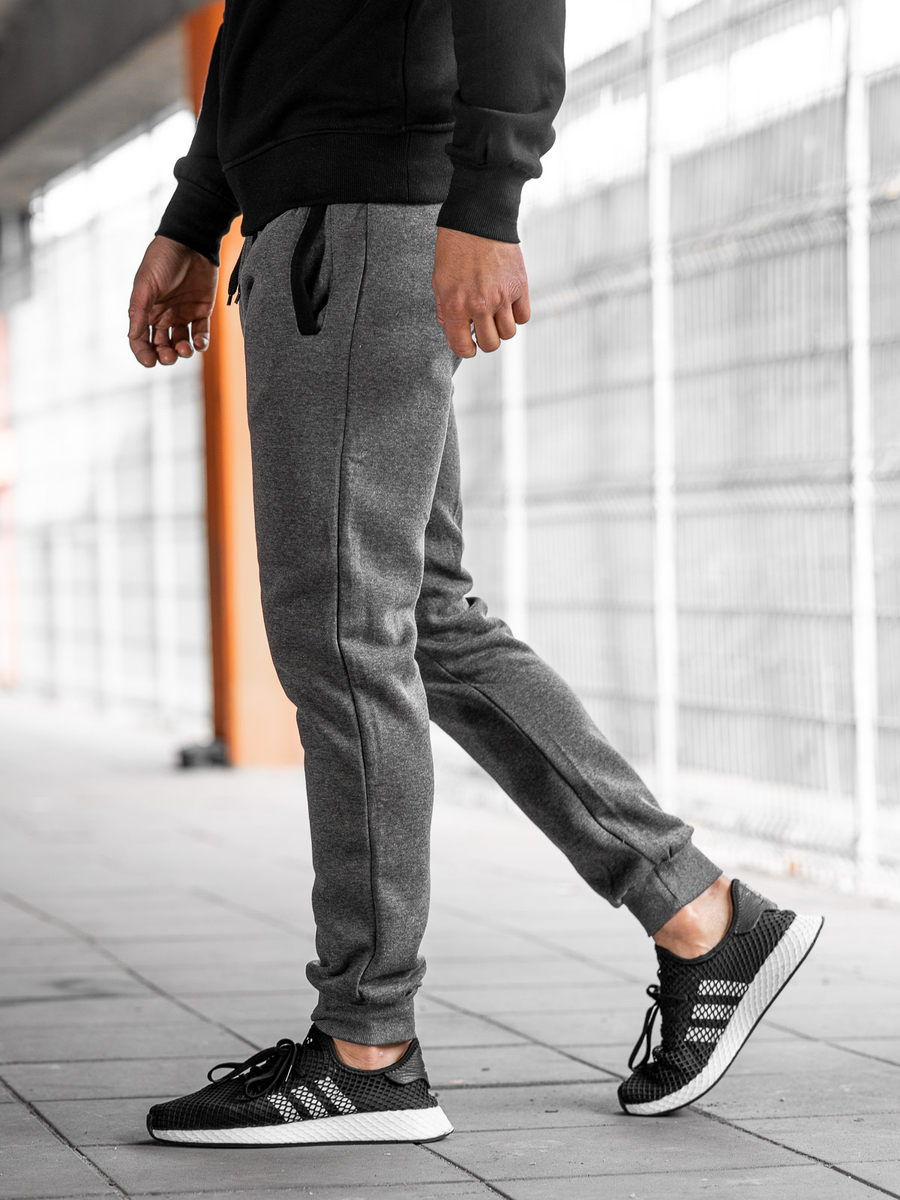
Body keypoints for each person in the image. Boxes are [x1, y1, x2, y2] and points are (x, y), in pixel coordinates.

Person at [127, 0, 823, 1147]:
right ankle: (702, 915)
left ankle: (367, 1048)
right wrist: (197, 214)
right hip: (326, 212)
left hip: (357, 216)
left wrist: (488, 200)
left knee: (344, 630)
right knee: (419, 619)